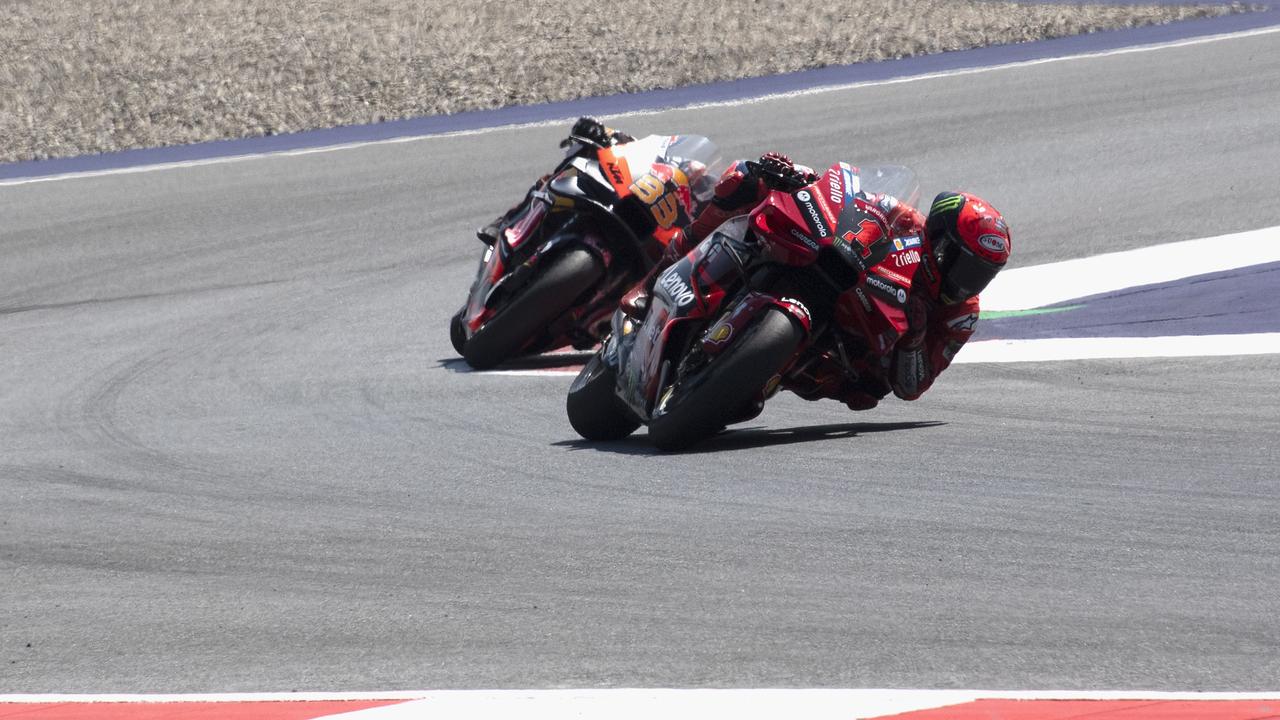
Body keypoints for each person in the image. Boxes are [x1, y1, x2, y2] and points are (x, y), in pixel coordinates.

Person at [619, 149, 1013, 410]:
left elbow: (911, 387)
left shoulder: (961, 314)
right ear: (939, 239)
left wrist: (912, 339)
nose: (966, 282)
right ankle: (651, 282)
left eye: (981, 274)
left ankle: (742, 378)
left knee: (860, 392)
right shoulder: (906, 222)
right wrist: (799, 176)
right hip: (834, 272)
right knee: (743, 179)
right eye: (963, 264)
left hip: (847, 356)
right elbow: (848, 198)